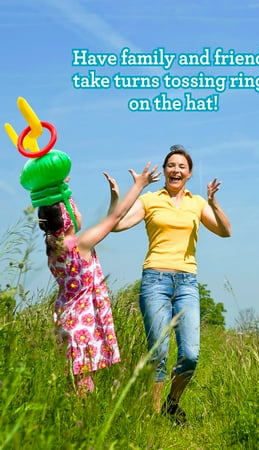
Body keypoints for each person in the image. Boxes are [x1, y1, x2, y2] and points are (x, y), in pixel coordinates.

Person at [112, 145, 231, 423]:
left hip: (187, 283)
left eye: (182, 167)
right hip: (155, 280)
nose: (176, 170)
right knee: (160, 352)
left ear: (189, 173)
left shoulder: (197, 202)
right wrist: (122, 196)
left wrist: (214, 204)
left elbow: (226, 231)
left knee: (190, 354)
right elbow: (117, 225)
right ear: (165, 171)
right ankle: (153, 418)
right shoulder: (150, 199)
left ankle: (172, 402)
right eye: (171, 165)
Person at [38, 163, 161, 396]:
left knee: (73, 381)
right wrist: (139, 185)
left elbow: (51, 209)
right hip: (82, 323)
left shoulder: (53, 246)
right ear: (68, 219)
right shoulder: (79, 244)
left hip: (66, 318)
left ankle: (70, 421)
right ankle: (80, 426)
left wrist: (58, 186)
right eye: (75, 209)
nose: (80, 213)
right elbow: (115, 218)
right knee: (84, 385)